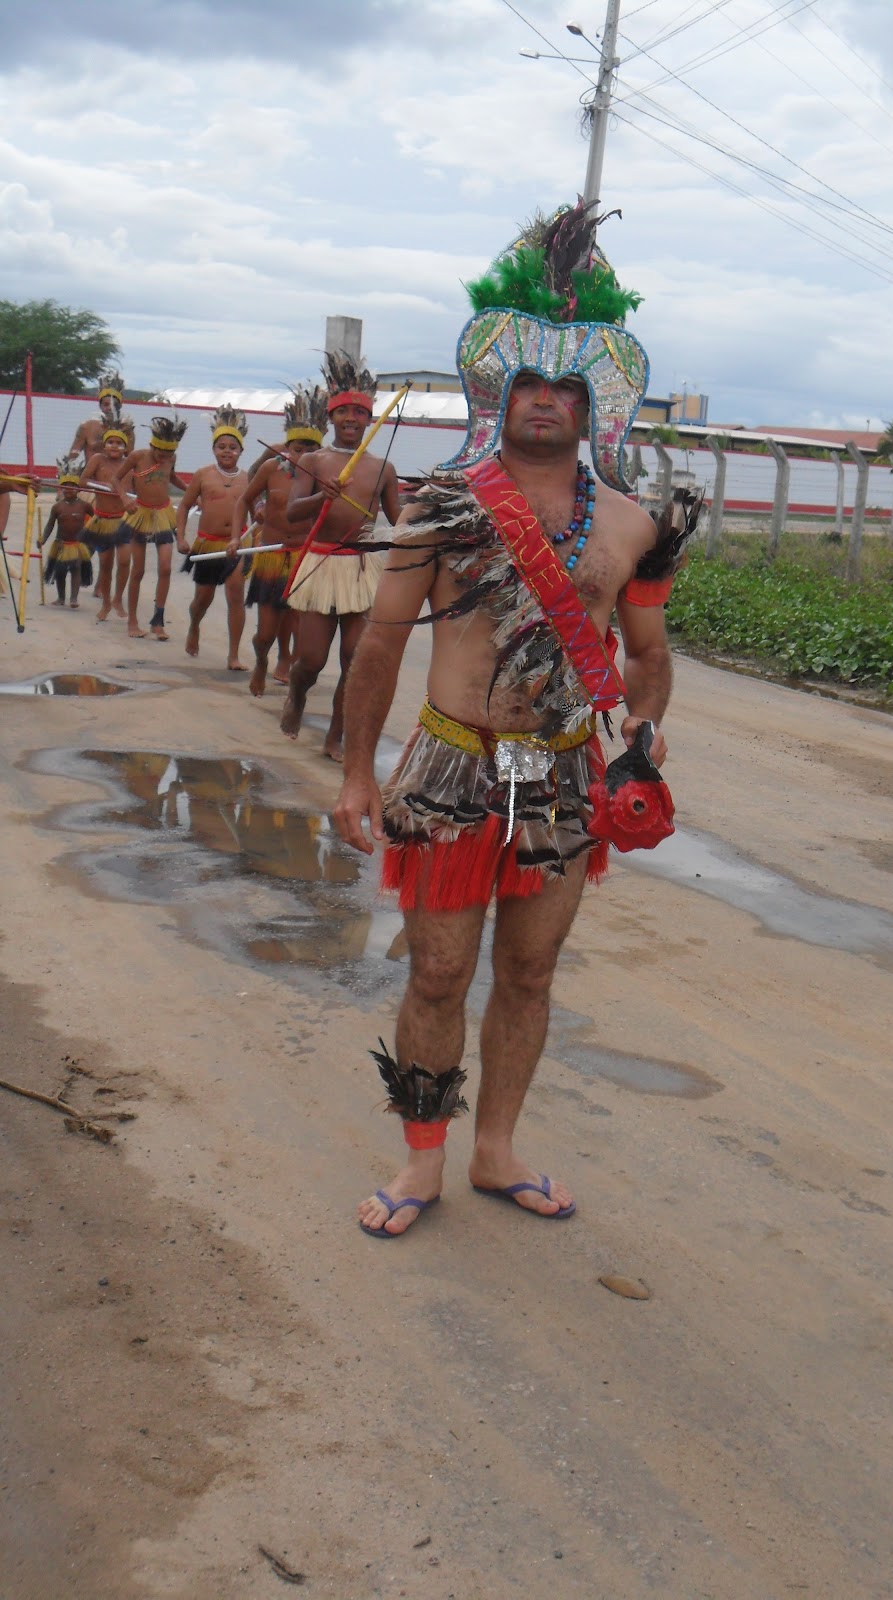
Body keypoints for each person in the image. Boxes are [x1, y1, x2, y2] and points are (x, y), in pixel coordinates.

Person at [332, 201, 697, 1237]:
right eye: (526, 386)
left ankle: (495, 1149)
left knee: (530, 972)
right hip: (451, 765)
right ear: (503, 397)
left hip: (567, 775)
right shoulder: (445, 502)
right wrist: (360, 772)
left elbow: (649, 657)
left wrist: (648, 729)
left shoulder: (632, 524)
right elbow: (379, 646)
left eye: (562, 391)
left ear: (591, 410)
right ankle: (420, 1162)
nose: (543, 404)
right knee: (440, 969)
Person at [279, 351, 401, 760]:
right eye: (343, 412)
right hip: (321, 563)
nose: (351, 419)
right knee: (310, 659)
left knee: (354, 660)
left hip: (362, 567)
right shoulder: (313, 461)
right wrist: (320, 497)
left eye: (359, 413)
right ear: (330, 418)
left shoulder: (383, 468)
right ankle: (297, 695)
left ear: (370, 420)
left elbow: (398, 521)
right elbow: (292, 512)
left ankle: (335, 736)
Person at [230, 382, 327, 697]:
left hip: (304, 558)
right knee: (265, 633)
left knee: (301, 625)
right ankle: (261, 661)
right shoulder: (272, 468)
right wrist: (236, 537)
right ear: (287, 447)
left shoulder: (326, 475)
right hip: (271, 557)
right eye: (297, 449)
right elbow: (244, 500)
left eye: (311, 450)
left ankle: (295, 684)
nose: (303, 456)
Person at [175, 406, 249, 667]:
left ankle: (233, 655)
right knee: (202, 599)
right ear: (214, 449)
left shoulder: (248, 478)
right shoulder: (203, 475)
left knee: (235, 594)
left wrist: (260, 518)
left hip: (237, 545)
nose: (227, 451)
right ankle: (194, 625)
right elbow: (184, 506)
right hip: (207, 544)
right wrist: (181, 538)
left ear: (241, 450)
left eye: (232, 447)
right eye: (221, 446)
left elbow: (258, 508)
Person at [114, 414, 188, 639]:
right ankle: (133, 621)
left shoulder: (170, 459)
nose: (163, 458)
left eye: (168, 455)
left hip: (163, 514)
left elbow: (171, 478)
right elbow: (116, 480)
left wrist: (192, 491)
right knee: (138, 570)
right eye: (160, 454)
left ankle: (158, 621)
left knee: (165, 568)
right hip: (140, 515)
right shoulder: (137, 457)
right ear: (152, 445)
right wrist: (125, 499)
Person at [81, 410, 132, 620]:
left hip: (123, 520)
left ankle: (118, 598)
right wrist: (102, 485)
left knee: (124, 561)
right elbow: (82, 481)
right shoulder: (97, 460)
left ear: (125, 447)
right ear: (104, 444)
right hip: (102, 519)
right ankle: (106, 603)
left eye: (119, 443)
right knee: (106, 563)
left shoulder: (129, 464)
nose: (114, 446)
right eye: (110, 442)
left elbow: (138, 490)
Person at [39, 456, 93, 607]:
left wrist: (95, 535)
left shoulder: (84, 506)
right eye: (65, 486)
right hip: (61, 544)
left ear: (78, 489)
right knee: (60, 571)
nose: (69, 489)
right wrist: (43, 539)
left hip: (77, 544)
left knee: (76, 568)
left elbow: (95, 520)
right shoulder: (58, 507)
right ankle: (61, 598)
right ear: (61, 488)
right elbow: (50, 525)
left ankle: (74, 598)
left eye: (72, 486)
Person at [69, 370, 136, 461]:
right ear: (100, 405)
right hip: (91, 474)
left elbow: (130, 460)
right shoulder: (87, 427)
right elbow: (72, 456)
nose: (110, 408)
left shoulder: (126, 429)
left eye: (114, 405)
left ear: (120, 406)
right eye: (106, 404)